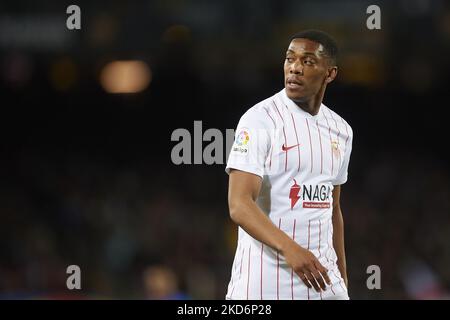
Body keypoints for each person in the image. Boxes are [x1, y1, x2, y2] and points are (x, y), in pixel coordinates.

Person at [226, 30, 353, 300]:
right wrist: (290, 248)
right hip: (264, 284)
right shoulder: (260, 120)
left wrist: (342, 277)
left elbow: (333, 209)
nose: (294, 68)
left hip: (324, 285)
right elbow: (239, 204)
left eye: (307, 61)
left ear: (330, 74)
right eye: (289, 59)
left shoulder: (341, 130)